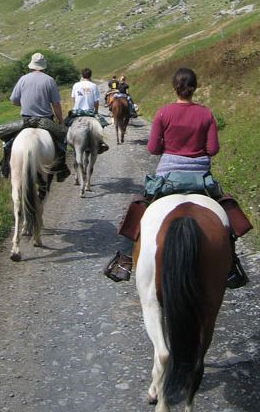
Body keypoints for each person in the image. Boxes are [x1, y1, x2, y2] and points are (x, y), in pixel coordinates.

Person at [103, 66, 248, 288]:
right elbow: (213, 149)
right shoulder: (206, 114)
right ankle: (231, 264)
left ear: (174, 88)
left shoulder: (163, 113)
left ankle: (126, 260)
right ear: (195, 88)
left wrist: (167, 145)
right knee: (226, 213)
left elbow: (152, 148)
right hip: (200, 177)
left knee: (139, 208)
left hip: (167, 176)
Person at [0, 52, 71, 181]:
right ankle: (61, 169)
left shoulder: (23, 79)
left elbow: (14, 101)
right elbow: (56, 104)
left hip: (26, 120)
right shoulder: (49, 80)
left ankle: (5, 167)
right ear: (43, 66)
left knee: (8, 143)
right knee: (62, 141)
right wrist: (60, 120)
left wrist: (26, 102)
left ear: (31, 65)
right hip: (46, 120)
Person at [65, 68, 110, 150]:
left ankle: (65, 141)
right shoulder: (94, 86)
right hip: (90, 112)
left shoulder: (76, 85)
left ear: (82, 75)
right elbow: (96, 102)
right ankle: (100, 142)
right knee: (102, 124)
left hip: (77, 112)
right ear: (90, 75)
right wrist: (96, 111)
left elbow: (74, 99)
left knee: (66, 123)